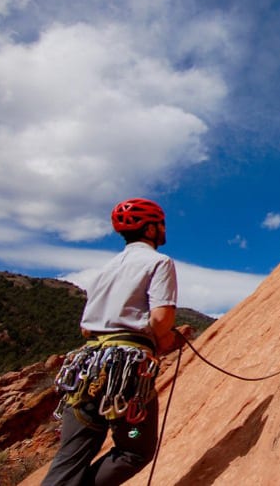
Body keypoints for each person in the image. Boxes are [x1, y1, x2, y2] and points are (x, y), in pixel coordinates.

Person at [43, 198, 178, 486]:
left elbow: (85, 327)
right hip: (126, 376)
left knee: (69, 459)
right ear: (152, 229)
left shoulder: (105, 270)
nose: (164, 229)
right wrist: (166, 339)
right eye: (161, 224)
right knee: (133, 446)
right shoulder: (158, 262)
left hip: (84, 374)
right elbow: (160, 319)